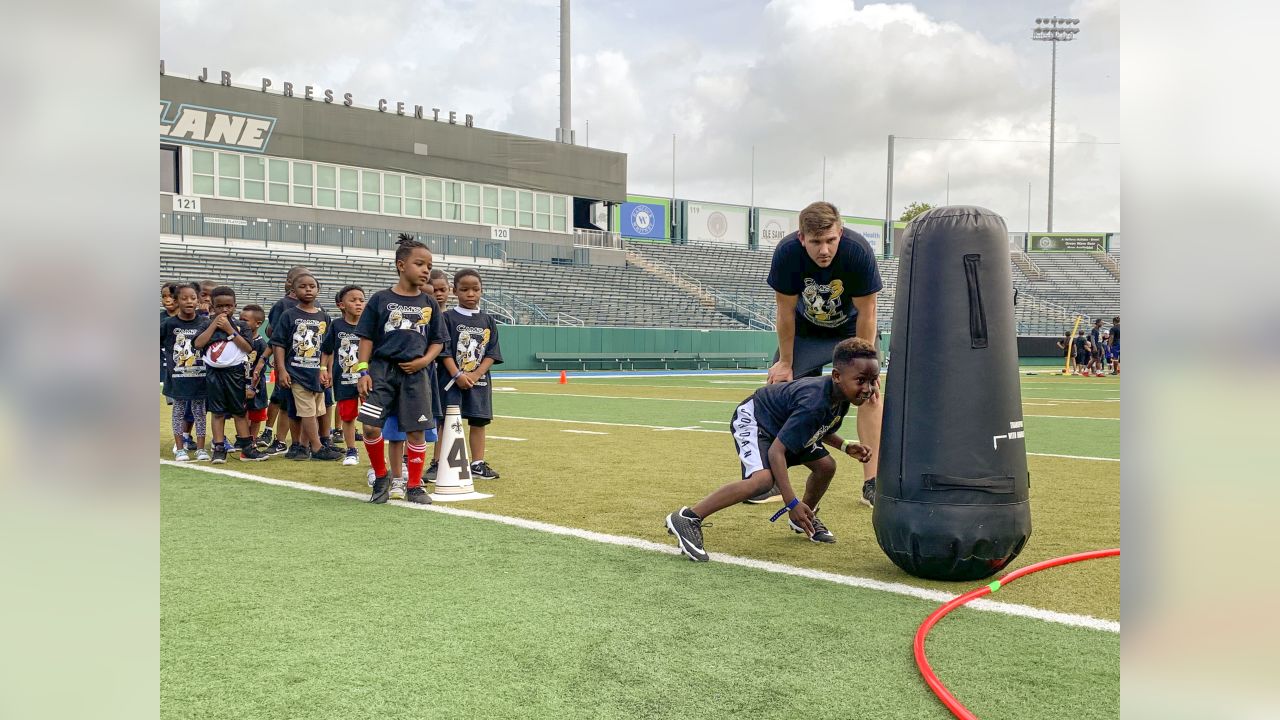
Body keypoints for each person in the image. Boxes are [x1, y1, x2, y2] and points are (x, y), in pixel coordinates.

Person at [664, 337, 879, 562]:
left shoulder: (842, 396)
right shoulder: (814, 400)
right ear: (837, 376)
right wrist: (792, 502)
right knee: (763, 481)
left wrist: (845, 446)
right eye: (861, 380)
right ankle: (688, 517)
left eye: (873, 381)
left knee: (826, 466)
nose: (868, 389)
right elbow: (777, 452)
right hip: (757, 419)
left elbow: (817, 427)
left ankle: (803, 518)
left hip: (781, 425)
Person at [764, 201, 883, 507]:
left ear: (840, 233)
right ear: (801, 238)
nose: (824, 250)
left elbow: (868, 310)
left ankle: (872, 481)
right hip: (806, 331)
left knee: (871, 394)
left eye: (830, 240)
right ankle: (768, 479)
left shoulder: (857, 251)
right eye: (816, 242)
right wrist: (786, 362)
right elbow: (785, 310)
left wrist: (865, 363)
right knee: (777, 388)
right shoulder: (787, 252)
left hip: (850, 329)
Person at [356, 234, 449, 505]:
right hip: (381, 371)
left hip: (417, 375)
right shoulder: (380, 299)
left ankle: (415, 485)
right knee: (371, 428)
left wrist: (424, 361)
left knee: (416, 432)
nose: (425, 270)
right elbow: (366, 337)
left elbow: (438, 341)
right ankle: (382, 476)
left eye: (429, 267)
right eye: (420, 264)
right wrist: (363, 371)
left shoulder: (429, 303)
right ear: (400, 265)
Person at [271, 273, 344, 462]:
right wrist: (282, 370)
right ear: (293, 291)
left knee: (316, 410)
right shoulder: (289, 315)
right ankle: (318, 447)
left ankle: (303, 446)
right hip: (297, 372)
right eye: (303, 286)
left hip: (316, 374)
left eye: (312, 286)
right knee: (306, 411)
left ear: (318, 290)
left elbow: (328, 348)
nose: (308, 289)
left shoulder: (324, 317)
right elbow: (278, 344)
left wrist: (326, 370)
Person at [440, 268, 504, 480]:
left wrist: (476, 375)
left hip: (480, 382)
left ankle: (477, 464)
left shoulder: (488, 321)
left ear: (481, 291)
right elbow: (444, 350)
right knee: (447, 421)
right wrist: (457, 374)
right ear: (454, 291)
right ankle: (439, 463)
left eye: (475, 289)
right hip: (451, 381)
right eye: (464, 289)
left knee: (478, 421)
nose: (470, 294)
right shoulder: (447, 318)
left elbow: (492, 352)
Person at [194, 287, 267, 462]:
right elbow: (198, 343)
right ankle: (219, 448)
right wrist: (214, 325)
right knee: (217, 412)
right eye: (220, 306)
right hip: (213, 373)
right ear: (212, 306)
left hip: (235, 373)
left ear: (235, 306)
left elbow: (248, 348)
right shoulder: (205, 324)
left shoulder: (241, 326)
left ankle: (247, 448)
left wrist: (229, 329)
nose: (224, 310)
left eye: (228, 306)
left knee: (239, 411)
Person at [262, 266, 310, 455]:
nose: (307, 288)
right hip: (290, 363)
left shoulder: (317, 307)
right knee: (283, 402)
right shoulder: (283, 305)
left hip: (311, 364)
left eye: (310, 283)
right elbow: (273, 333)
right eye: (301, 282)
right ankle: (277, 438)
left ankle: (311, 441)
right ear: (291, 283)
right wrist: (275, 359)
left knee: (312, 405)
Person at [161, 283, 210, 462]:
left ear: (198, 300)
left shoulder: (205, 323)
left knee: (199, 412)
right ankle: (180, 448)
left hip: (200, 378)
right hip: (178, 379)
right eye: (184, 298)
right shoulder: (168, 324)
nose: (189, 301)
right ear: (176, 301)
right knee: (178, 411)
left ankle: (201, 448)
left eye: (193, 298)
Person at [322, 285, 367, 466]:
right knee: (348, 417)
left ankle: (375, 451)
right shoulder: (336, 325)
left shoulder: (370, 325)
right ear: (341, 305)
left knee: (373, 417)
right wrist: (323, 370)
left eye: (361, 300)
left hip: (367, 381)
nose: (358, 303)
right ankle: (351, 450)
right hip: (345, 380)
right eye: (353, 300)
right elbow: (326, 350)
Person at [425, 268, 451, 481]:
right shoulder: (422, 313)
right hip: (423, 371)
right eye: (434, 290)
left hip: (445, 375)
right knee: (414, 418)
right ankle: (407, 459)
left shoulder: (452, 316)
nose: (439, 294)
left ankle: (437, 461)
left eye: (443, 290)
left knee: (441, 419)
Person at [240, 305, 272, 447]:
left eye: (245, 320)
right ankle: (243, 439)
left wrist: (252, 387)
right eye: (239, 319)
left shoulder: (261, 344)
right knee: (241, 414)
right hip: (239, 385)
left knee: (256, 415)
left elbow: (259, 369)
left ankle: (252, 440)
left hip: (256, 387)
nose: (241, 322)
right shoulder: (238, 340)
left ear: (258, 323)